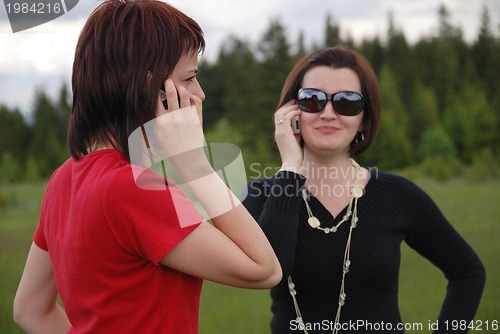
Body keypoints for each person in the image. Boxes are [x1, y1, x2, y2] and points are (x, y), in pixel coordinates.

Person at [13, 1, 282, 333]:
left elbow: (30, 310)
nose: (200, 93)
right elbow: (264, 268)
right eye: (190, 78)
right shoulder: (134, 188)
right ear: (148, 85)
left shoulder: (62, 179)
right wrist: (193, 161)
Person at [241, 46, 485, 333]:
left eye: (346, 102)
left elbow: (467, 272)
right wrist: (291, 165)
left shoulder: (397, 195)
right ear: (290, 113)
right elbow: (272, 269)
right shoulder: (262, 195)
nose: (329, 113)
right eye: (313, 99)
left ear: (363, 118)